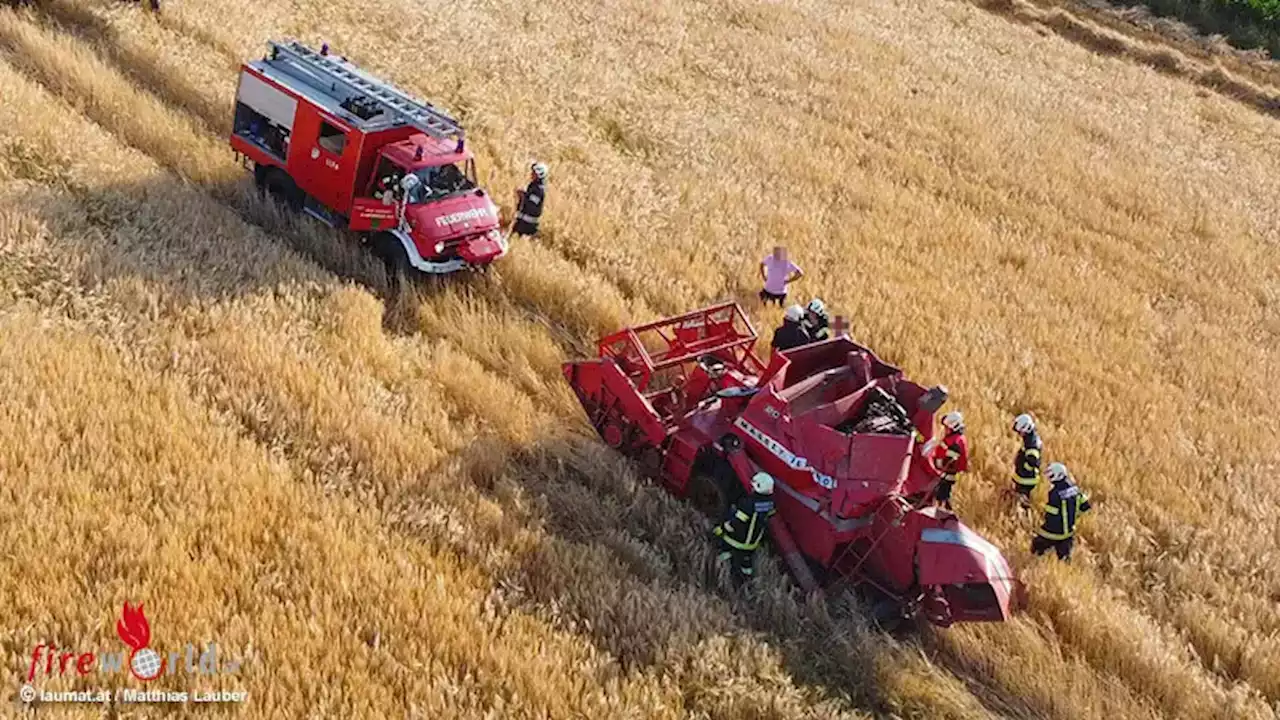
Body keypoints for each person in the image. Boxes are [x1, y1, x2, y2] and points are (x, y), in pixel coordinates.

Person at [712, 472, 777, 586]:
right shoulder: (771, 504)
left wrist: (721, 529)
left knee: (722, 550)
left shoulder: (748, 504)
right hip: (752, 543)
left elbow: (736, 523)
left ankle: (721, 571)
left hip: (737, 541)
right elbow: (768, 516)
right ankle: (747, 582)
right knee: (746, 563)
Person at [1033, 462, 1093, 561]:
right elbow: (1085, 506)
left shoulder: (1054, 493)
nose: (1049, 479)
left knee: (1037, 545)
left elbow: (1050, 516)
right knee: (1065, 558)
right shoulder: (1075, 488)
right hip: (1069, 532)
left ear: (1058, 475)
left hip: (1055, 532)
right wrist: (1073, 516)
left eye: (1051, 476)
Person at [926, 411, 968, 510]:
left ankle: (943, 513)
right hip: (944, 473)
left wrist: (936, 467)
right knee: (942, 496)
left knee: (942, 496)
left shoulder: (956, 442)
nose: (945, 430)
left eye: (947, 428)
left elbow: (949, 462)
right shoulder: (954, 439)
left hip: (946, 475)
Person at [508, 161, 548, 241]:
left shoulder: (539, 190)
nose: (531, 174)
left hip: (527, 224)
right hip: (522, 220)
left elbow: (531, 205)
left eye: (534, 173)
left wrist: (523, 196)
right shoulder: (533, 185)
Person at [1011, 413, 1043, 508]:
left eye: (1020, 431)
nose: (1019, 434)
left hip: (1026, 479)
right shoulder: (1030, 438)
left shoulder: (1031, 444)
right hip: (1026, 478)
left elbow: (1033, 462)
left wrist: (1023, 469)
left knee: (1022, 501)